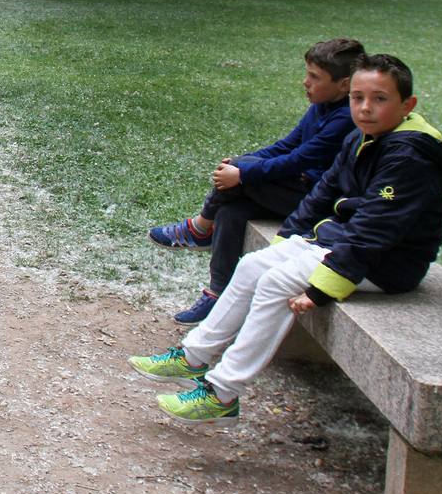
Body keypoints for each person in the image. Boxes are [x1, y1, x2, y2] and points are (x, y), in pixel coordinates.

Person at [129, 54, 442, 425]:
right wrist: (288, 239)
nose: (366, 107)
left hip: (385, 263)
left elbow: (376, 230)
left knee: (275, 282)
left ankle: (222, 393)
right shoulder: (361, 137)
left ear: (408, 105)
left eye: (380, 98)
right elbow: (324, 191)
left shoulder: (410, 157)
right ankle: (193, 356)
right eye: (358, 98)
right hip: (341, 243)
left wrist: (322, 289)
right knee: (254, 264)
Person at [149, 39, 365, 325]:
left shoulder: (345, 119)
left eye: (314, 77)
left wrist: (243, 172)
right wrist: (241, 162)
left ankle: (200, 229)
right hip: (293, 189)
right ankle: (218, 294)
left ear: (344, 84)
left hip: (316, 204)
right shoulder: (321, 107)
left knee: (239, 176)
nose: (305, 82)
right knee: (230, 211)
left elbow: (299, 159)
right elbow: (285, 145)